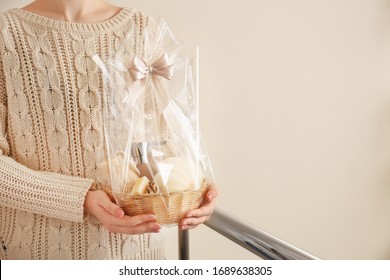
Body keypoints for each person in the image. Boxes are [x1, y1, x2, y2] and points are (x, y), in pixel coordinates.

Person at [0, 0, 217, 260]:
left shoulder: (141, 28)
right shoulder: (6, 33)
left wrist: (193, 185)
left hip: (138, 257)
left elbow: (163, 142)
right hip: (36, 255)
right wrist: (81, 199)